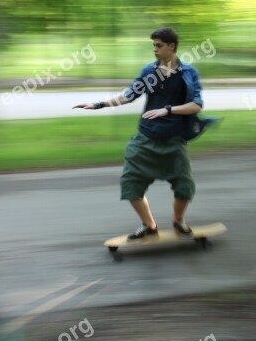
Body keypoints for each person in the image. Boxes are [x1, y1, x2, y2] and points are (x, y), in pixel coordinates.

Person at [73, 27, 218, 240]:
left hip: (174, 139)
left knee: (184, 186)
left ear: (171, 46)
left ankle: (178, 221)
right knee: (130, 183)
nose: (154, 50)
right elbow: (129, 95)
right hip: (145, 137)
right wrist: (97, 105)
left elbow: (196, 105)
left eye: (158, 45)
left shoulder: (188, 73)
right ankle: (149, 225)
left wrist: (168, 109)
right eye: (153, 46)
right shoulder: (150, 72)